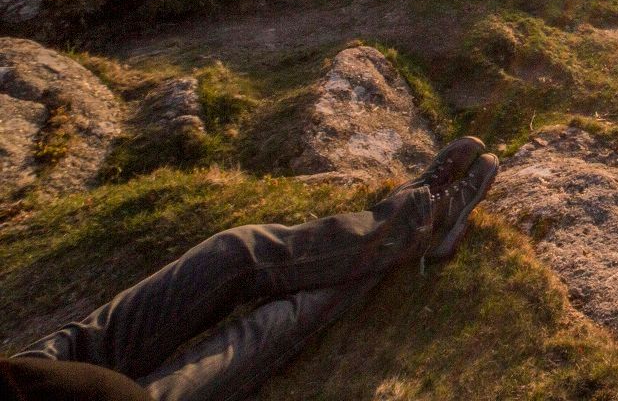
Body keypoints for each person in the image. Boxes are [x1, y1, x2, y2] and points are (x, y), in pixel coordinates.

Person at [2, 137, 499, 401]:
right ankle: (424, 228)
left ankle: (398, 221)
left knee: (232, 252)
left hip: (42, 369)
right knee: (275, 321)